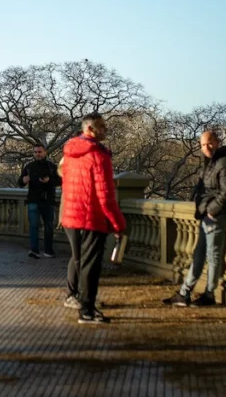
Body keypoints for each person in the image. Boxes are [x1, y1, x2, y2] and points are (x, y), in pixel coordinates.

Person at [59, 113, 126, 324]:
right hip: (91, 218)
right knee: (91, 267)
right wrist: (118, 224)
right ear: (90, 129)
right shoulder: (99, 155)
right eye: (102, 127)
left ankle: (80, 301)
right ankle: (87, 310)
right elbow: (105, 196)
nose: (105, 130)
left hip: (71, 216)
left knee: (79, 261)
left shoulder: (70, 152)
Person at [163, 129, 226, 307]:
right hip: (207, 215)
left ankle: (209, 295)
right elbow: (203, 188)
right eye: (203, 144)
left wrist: (212, 210)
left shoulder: (223, 162)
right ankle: (185, 293)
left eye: (209, 143)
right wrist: (201, 206)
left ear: (218, 142)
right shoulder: (209, 162)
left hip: (216, 216)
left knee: (213, 257)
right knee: (198, 255)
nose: (206, 147)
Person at [20, 143, 60, 259]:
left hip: (48, 200)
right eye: (35, 152)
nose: (37, 154)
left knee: (48, 226)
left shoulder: (52, 166)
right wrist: (24, 180)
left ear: (45, 152)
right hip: (33, 200)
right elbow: (20, 182)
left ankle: (48, 251)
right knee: (33, 226)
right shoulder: (29, 167)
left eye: (40, 152)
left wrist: (49, 181)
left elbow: (60, 180)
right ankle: (34, 250)